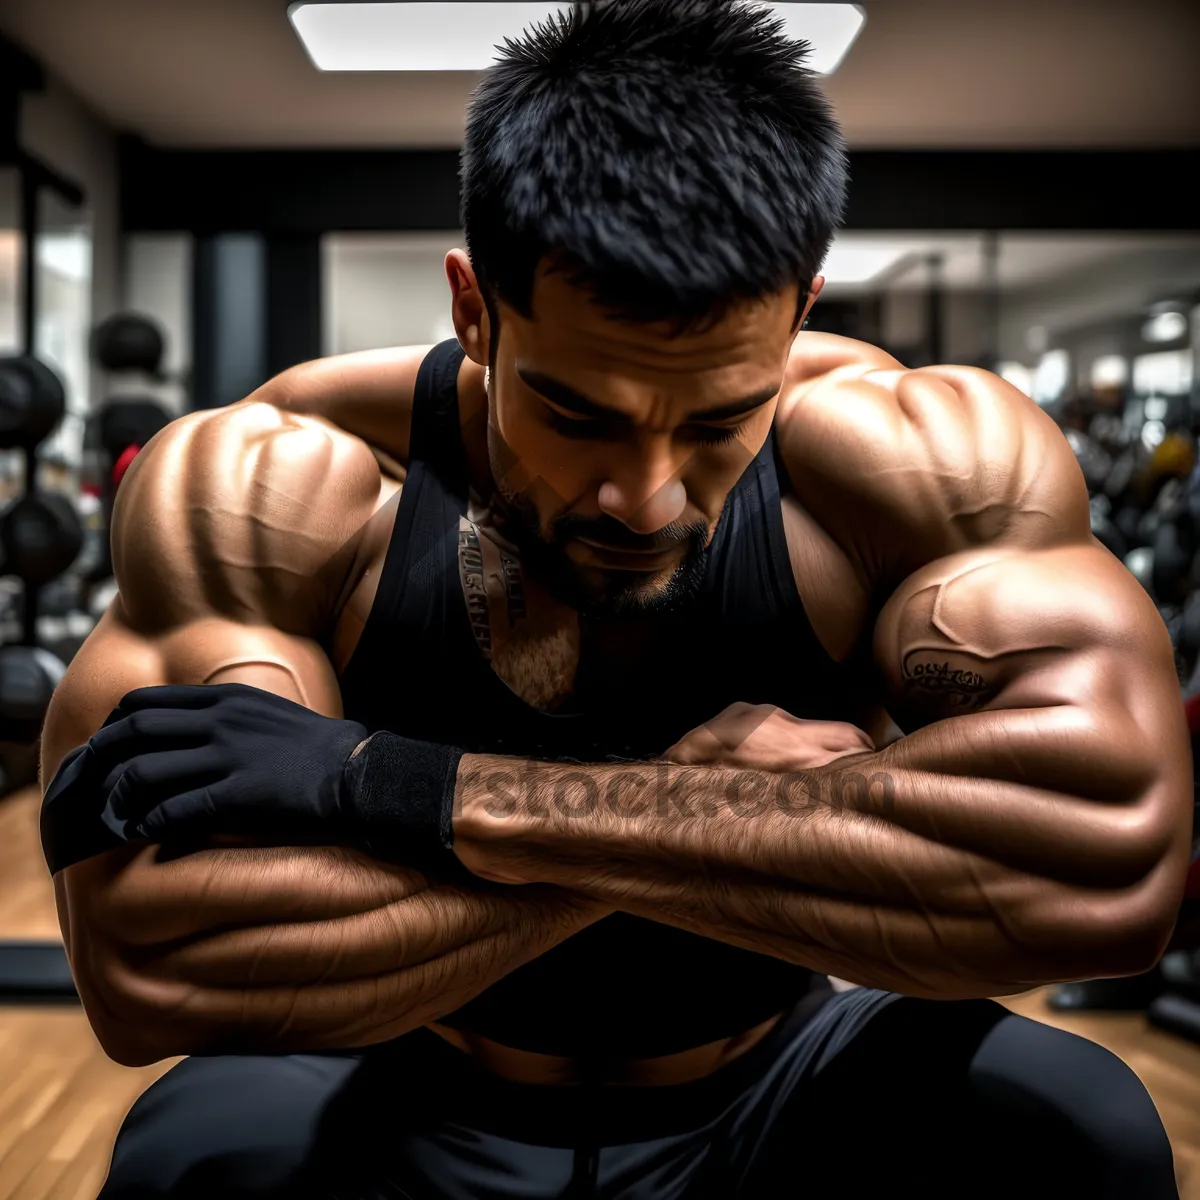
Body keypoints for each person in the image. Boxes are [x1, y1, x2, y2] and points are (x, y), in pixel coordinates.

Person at [40, 1, 1189, 1196]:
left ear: (801, 312)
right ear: (474, 308)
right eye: (579, 415)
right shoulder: (288, 484)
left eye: (715, 421)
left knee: (1078, 1122)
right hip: (414, 1065)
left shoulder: (913, 467)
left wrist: (408, 790)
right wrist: (707, 812)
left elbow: (1100, 873)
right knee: (198, 1149)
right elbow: (156, 964)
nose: (644, 499)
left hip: (784, 1068)